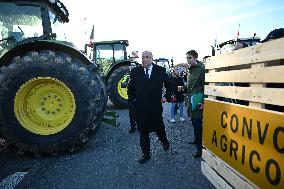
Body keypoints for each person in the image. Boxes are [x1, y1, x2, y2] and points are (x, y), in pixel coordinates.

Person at [128, 50, 171, 164]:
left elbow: (169, 85)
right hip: (141, 108)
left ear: (152, 58)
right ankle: (146, 154)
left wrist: (166, 96)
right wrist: (133, 100)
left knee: (159, 128)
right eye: (143, 57)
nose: (144, 59)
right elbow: (130, 88)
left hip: (155, 107)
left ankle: (165, 141)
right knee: (143, 131)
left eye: (147, 57)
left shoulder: (160, 71)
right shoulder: (135, 71)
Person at [178, 50, 205, 158]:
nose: (188, 60)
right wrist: (183, 88)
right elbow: (191, 86)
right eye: (187, 58)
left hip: (198, 100)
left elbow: (206, 86)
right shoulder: (190, 70)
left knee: (198, 124)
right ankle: (196, 140)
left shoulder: (202, 69)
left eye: (190, 58)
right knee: (194, 122)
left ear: (195, 58)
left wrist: (203, 101)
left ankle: (200, 149)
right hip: (191, 100)